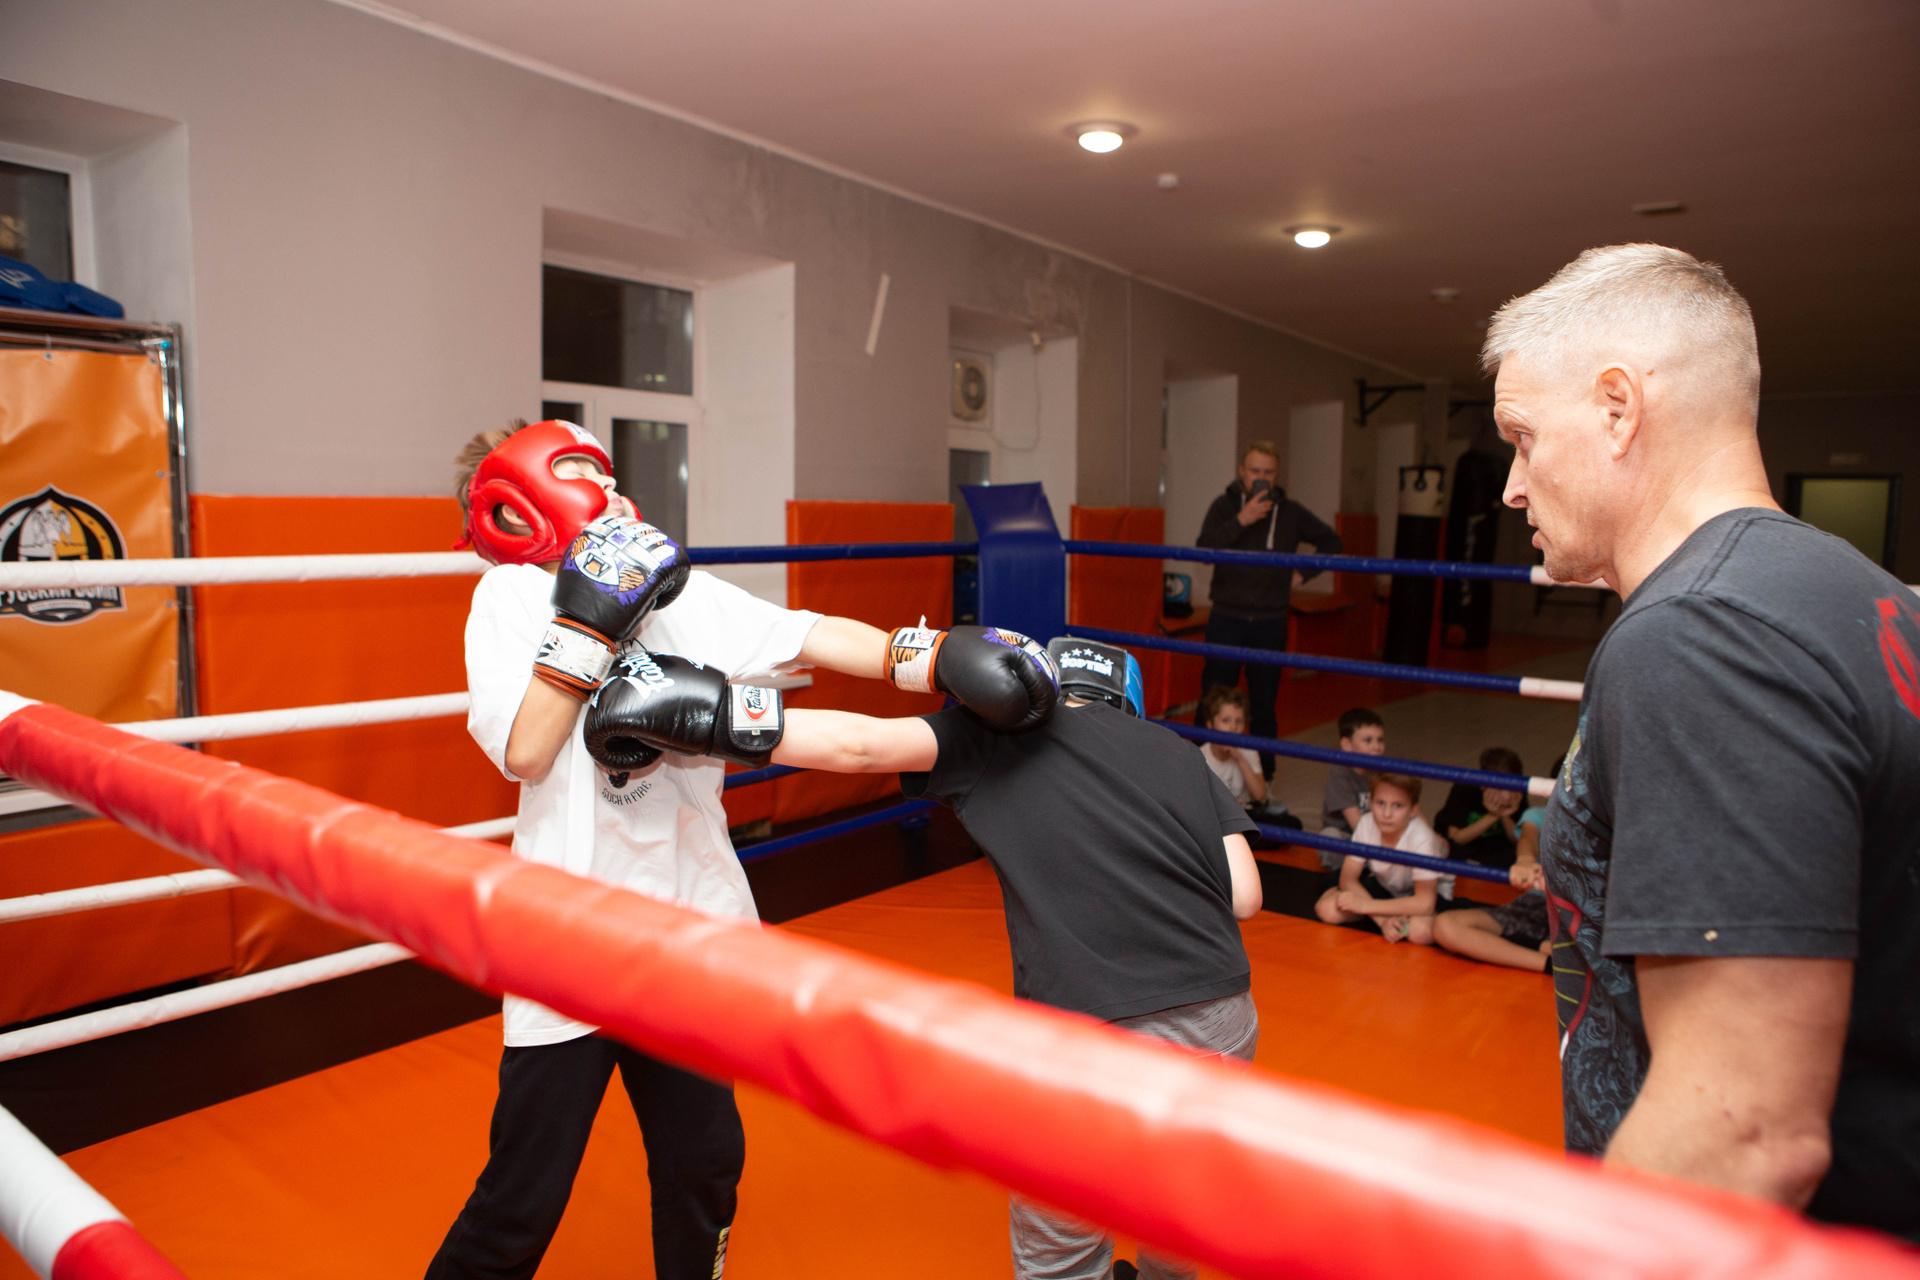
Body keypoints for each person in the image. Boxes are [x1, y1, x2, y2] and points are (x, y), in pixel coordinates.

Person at [588, 634, 1263, 1280]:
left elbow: (858, 745)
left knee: (1062, 1244)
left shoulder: (1005, 733)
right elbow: (1245, 896)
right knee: (1176, 1198)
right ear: (1129, 703)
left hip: (1089, 1037)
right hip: (1220, 1020)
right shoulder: (1177, 751)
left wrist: (708, 714)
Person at [1488, 243, 1919, 1238]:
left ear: (1618, 408)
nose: (1512, 486)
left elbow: (1743, 1135)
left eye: (1522, 437)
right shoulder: (1854, 590)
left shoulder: (1704, 635)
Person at [429, 419, 898, 1280]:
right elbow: (526, 751)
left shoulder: (682, 595)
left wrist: (927, 656)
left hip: (687, 930)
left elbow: (814, 633)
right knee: (522, 1197)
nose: (610, 489)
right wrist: (588, 623)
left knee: (704, 1165)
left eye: (607, 473)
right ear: (525, 503)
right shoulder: (509, 598)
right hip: (568, 940)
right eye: (583, 473)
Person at [1194, 441, 1344, 778]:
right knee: (1212, 699)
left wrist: (1302, 573)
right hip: (1227, 617)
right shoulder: (1224, 506)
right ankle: (1196, 774)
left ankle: (1266, 780)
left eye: (1268, 472)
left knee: (1264, 704)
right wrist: (1241, 520)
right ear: (1242, 472)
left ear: (1276, 475)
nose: (1261, 477)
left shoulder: (1290, 511)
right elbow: (1203, 550)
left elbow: (1332, 541)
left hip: (1270, 620)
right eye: (1255, 471)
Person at [1432, 757, 1560, 973]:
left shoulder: (1607, 824)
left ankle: (1536, 947)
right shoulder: (1538, 815)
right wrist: (1525, 861)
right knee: (1444, 925)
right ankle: (1546, 963)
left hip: (1581, 913)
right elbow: (1526, 839)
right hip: (1536, 904)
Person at [1312, 773, 1449, 945]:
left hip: (1419, 897)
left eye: (1398, 806)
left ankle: (1389, 918)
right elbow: (1347, 879)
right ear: (1370, 802)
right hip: (1386, 888)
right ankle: (1388, 919)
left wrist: (1364, 905)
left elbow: (1425, 903)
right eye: (1380, 803)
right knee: (1327, 910)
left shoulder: (1423, 839)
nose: (1387, 814)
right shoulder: (1366, 823)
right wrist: (1382, 921)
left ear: (1413, 810)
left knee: (1420, 932)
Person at [1432, 747, 1527, 870]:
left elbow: (1518, 840)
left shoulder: (1517, 795)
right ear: (1483, 784)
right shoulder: (1464, 788)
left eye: (1511, 786)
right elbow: (1457, 838)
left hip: (1495, 849)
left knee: (1522, 853)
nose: (1506, 795)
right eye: (1499, 787)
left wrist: (1505, 816)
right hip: (1466, 847)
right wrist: (1493, 815)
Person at [1318, 707, 1386, 870]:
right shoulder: (1340, 774)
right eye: (1368, 740)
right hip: (1352, 838)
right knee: (1329, 838)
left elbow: (1409, 807)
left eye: (1380, 740)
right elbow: (1359, 826)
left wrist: (1430, 836)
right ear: (1347, 744)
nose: (1376, 746)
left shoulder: (1382, 770)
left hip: (1380, 835)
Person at [1196, 685, 1265, 806]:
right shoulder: (1200, 756)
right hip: (1215, 815)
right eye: (1226, 720)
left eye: (1239, 721)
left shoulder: (1248, 750)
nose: (1233, 727)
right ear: (1210, 724)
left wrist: (1239, 758)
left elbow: (1259, 795)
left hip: (1244, 814)